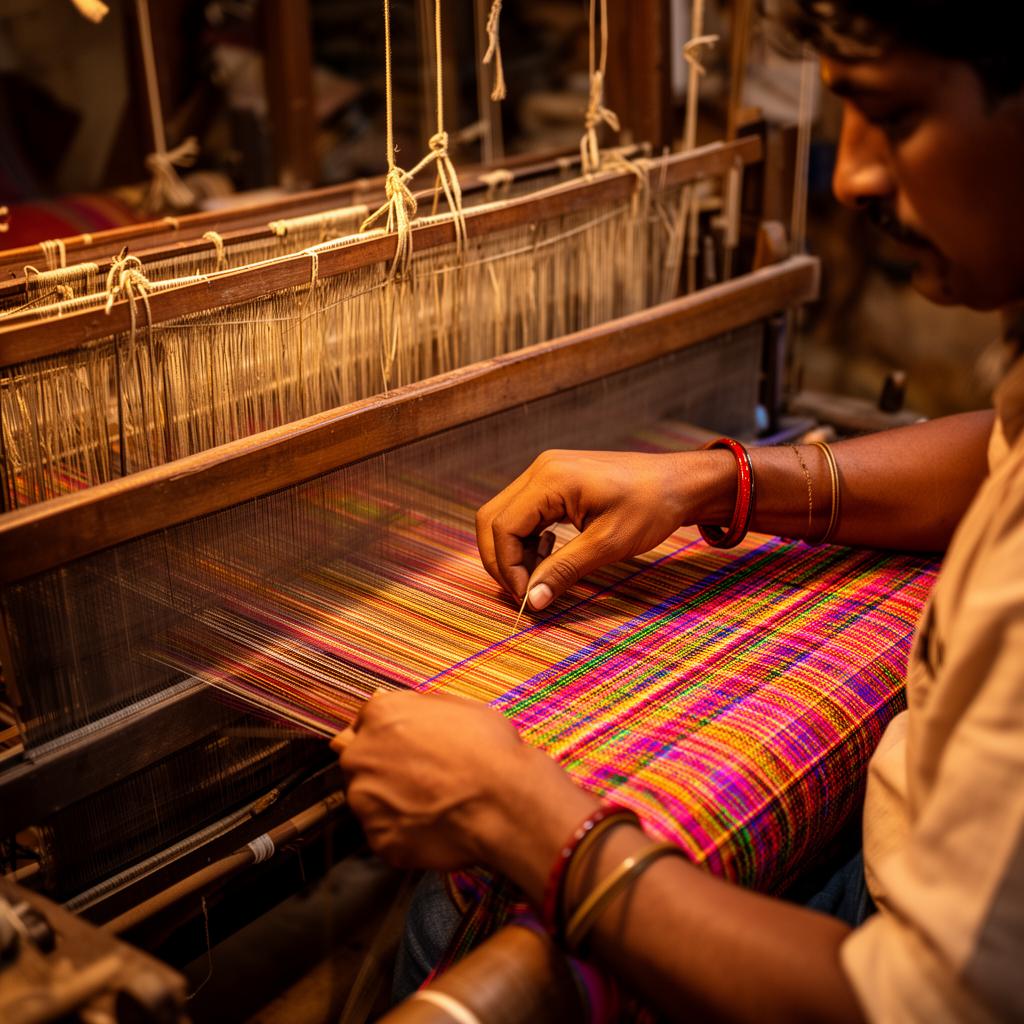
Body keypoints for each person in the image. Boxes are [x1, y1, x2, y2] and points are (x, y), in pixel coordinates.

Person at [332, 2, 1024, 1019]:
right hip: (902, 856)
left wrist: (517, 814)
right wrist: (716, 483)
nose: (849, 177)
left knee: (461, 911)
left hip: (887, 937)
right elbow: (997, 455)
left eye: (896, 114)